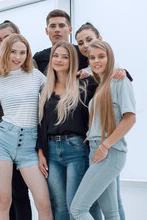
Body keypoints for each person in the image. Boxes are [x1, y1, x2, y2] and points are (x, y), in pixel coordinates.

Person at [0, 34, 53, 220]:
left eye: (23, 52)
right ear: (5, 53)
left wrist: (85, 71)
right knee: (4, 201)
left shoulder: (36, 76)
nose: (18, 57)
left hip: (29, 146)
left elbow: (57, 91)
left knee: (44, 203)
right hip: (4, 141)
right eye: (13, 52)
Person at [70, 41, 136, 220]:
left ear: (110, 58)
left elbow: (130, 118)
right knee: (111, 213)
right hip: (97, 149)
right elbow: (95, 69)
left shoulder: (119, 81)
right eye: (92, 58)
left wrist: (105, 146)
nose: (96, 61)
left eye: (101, 56)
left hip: (109, 151)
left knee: (77, 210)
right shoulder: (101, 85)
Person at [37, 41, 101, 220]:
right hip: (51, 152)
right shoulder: (45, 88)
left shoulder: (84, 84)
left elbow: (107, 86)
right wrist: (41, 152)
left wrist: (121, 72)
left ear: (72, 60)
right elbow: (41, 124)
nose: (59, 60)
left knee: (76, 205)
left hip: (76, 149)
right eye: (56, 56)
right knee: (59, 205)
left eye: (65, 57)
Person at [0, 20, 32, 220]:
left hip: (26, 141)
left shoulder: (31, 72)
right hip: (1, 142)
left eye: (7, 38)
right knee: (2, 198)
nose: (2, 43)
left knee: (20, 194)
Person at [32, 9, 90, 77]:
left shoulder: (82, 53)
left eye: (61, 26)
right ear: (46, 31)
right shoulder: (39, 58)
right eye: (53, 26)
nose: (57, 30)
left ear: (70, 29)